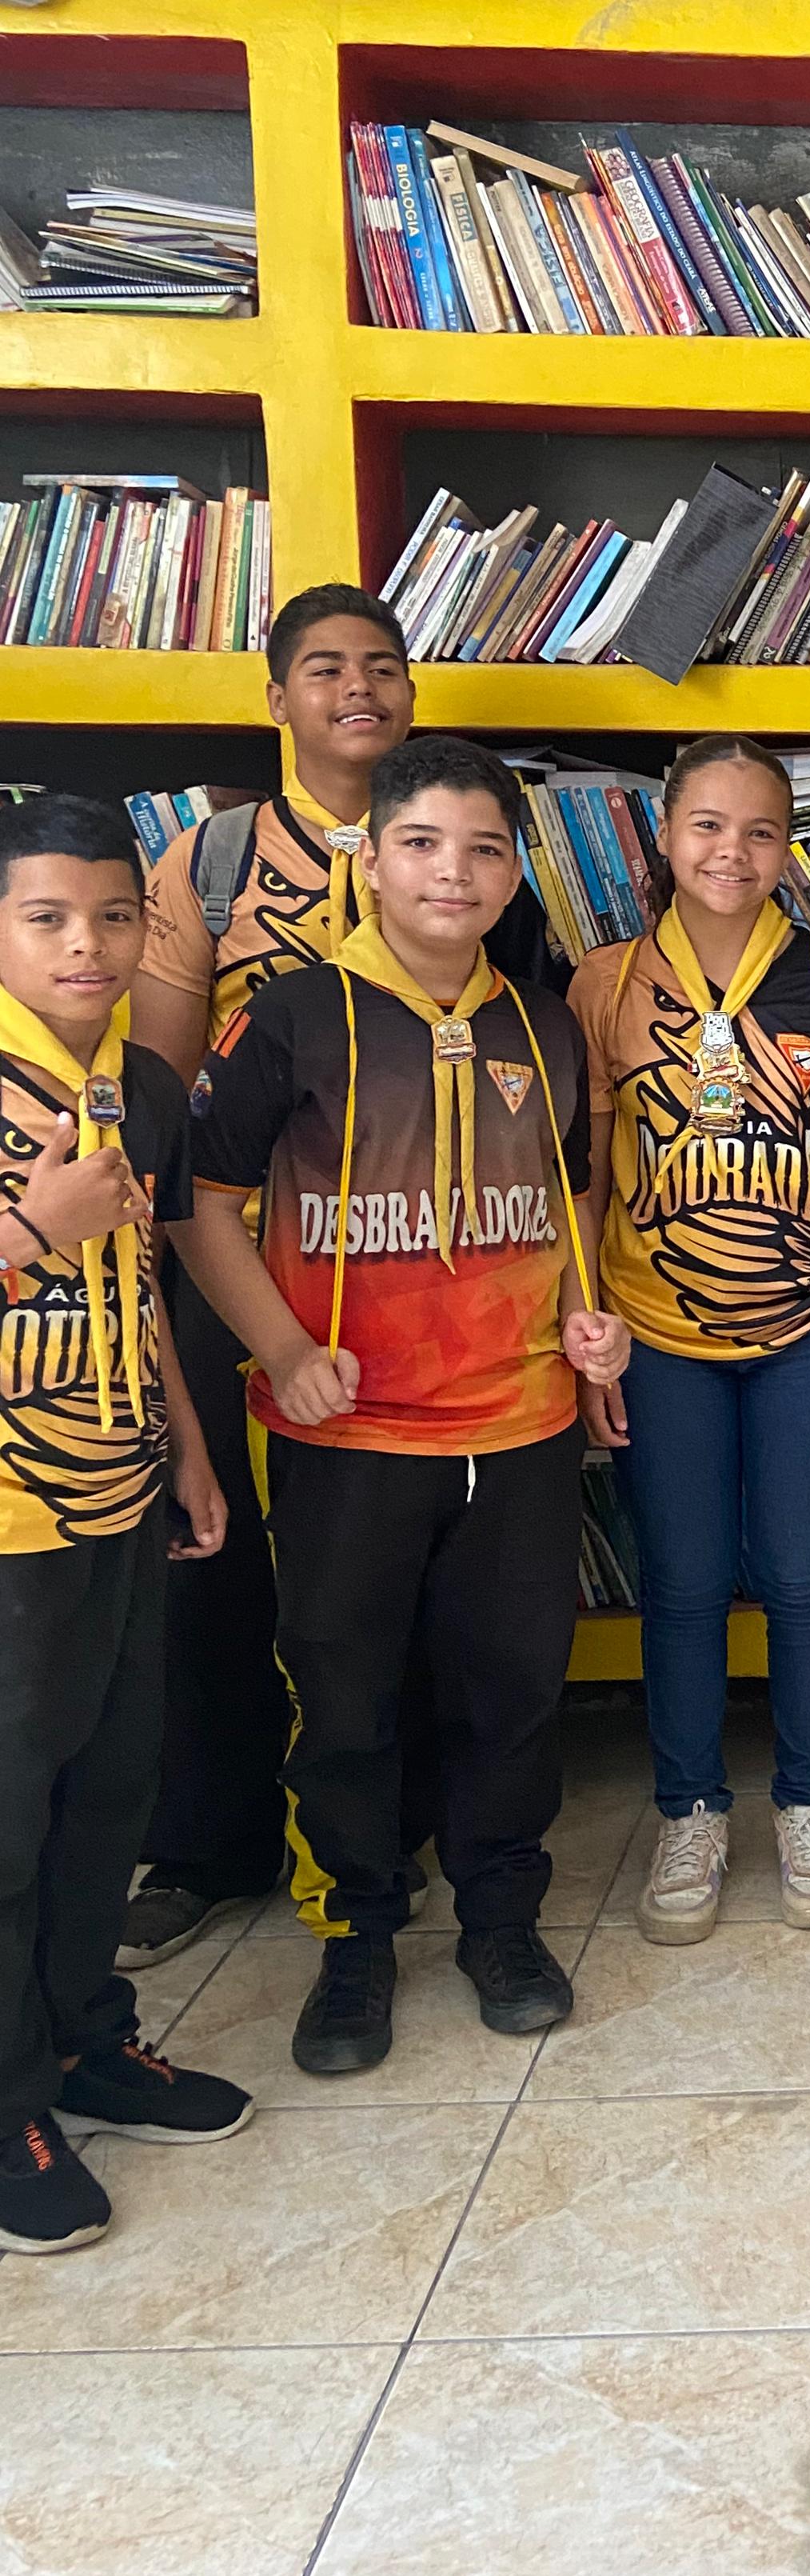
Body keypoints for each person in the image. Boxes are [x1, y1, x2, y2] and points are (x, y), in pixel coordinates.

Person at [174, 738, 627, 2076]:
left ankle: (504, 1920)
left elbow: (570, 1194)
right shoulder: (295, 1014)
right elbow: (197, 1201)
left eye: (484, 849)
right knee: (344, 1691)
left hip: (521, 1423)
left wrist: (590, 1323)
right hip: (347, 1433)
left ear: (514, 874)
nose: (453, 872)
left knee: (512, 1691)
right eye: (423, 843)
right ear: (372, 860)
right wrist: (279, 1346)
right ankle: (354, 1936)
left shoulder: (543, 1022)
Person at [120, 582, 555, 1970]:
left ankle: (415, 1848)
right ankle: (219, 1843)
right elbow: (166, 1087)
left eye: (382, 665)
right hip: (255, 1257)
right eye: (324, 667)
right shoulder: (217, 855)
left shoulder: (489, 877)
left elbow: (541, 1095)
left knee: (420, 1600)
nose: (357, 687)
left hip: (451, 1294)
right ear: (277, 698)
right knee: (235, 1563)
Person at [570, 738, 810, 1943]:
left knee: (808, 1574)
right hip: (654, 1336)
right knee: (683, 1579)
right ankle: (691, 1811)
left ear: (790, 846)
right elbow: (584, 1179)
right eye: (708, 826)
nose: (734, 851)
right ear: (666, 838)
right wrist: (588, 1333)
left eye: (762, 830)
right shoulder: (605, 984)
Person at [0, 796, 246, 2254]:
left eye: (112, 916)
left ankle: (90, 2036)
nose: (84, 945)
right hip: (10, 1520)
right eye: (46, 917)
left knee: (111, 1787)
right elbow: (70, 1246)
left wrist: (191, 1452)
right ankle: (6, 2105)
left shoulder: (143, 1086)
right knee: (8, 1815)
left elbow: (144, 1281)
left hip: (122, 1483)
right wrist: (35, 1228)